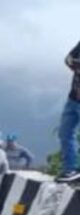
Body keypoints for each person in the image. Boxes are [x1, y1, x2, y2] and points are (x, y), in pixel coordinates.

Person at [57, 40, 80, 183]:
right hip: (73, 98)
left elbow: (73, 62)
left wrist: (76, 64)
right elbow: (68, 59)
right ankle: (70, 169)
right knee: (65, 133)